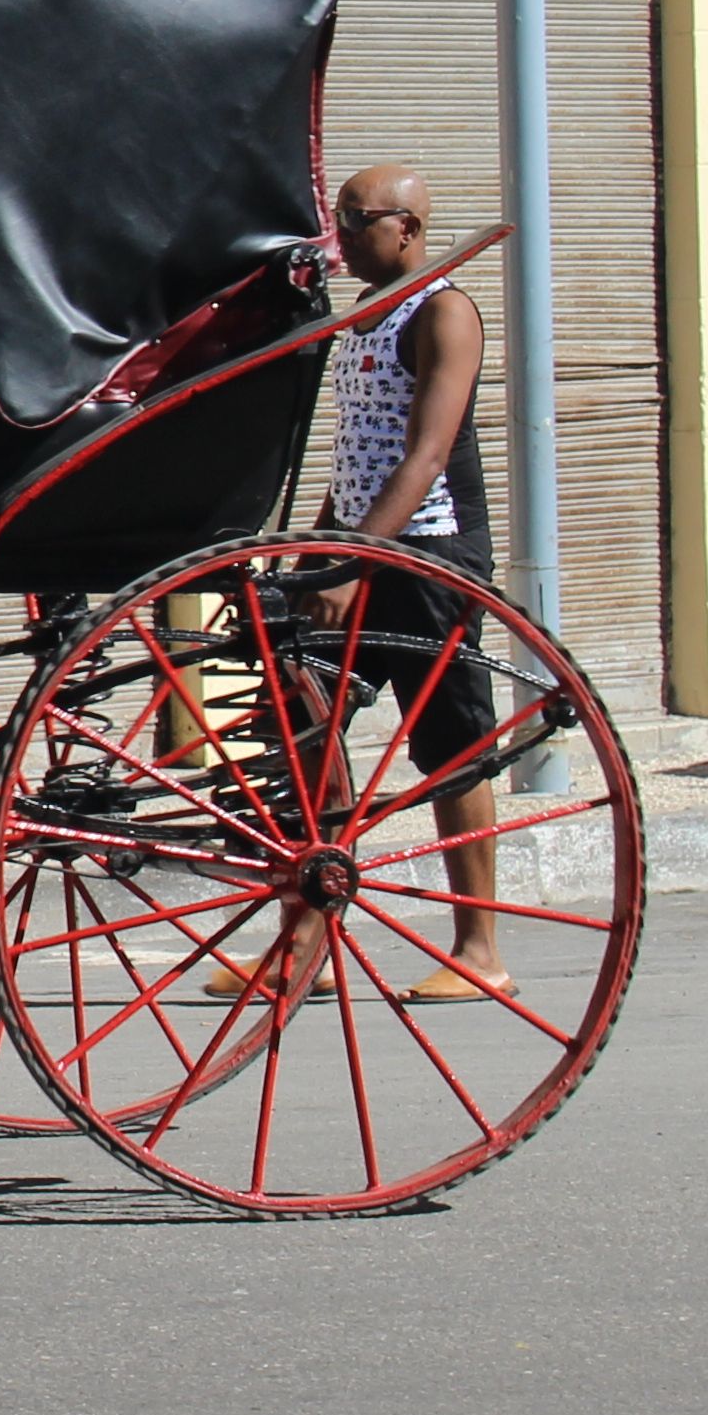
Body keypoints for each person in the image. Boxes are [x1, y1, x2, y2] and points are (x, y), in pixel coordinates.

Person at [282, 160, 514, 1002]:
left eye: (356, 221)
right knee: (305, 724)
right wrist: (317, 544)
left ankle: (479, 949)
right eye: (338, 221)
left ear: (408, 228)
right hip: (360, 545)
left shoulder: (443, 312)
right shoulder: (363, 319)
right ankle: (302, 942)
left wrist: (355, 560)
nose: (340, 238)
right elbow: (357, 452)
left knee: (452, 748)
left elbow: (421, 458)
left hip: (428, 557)